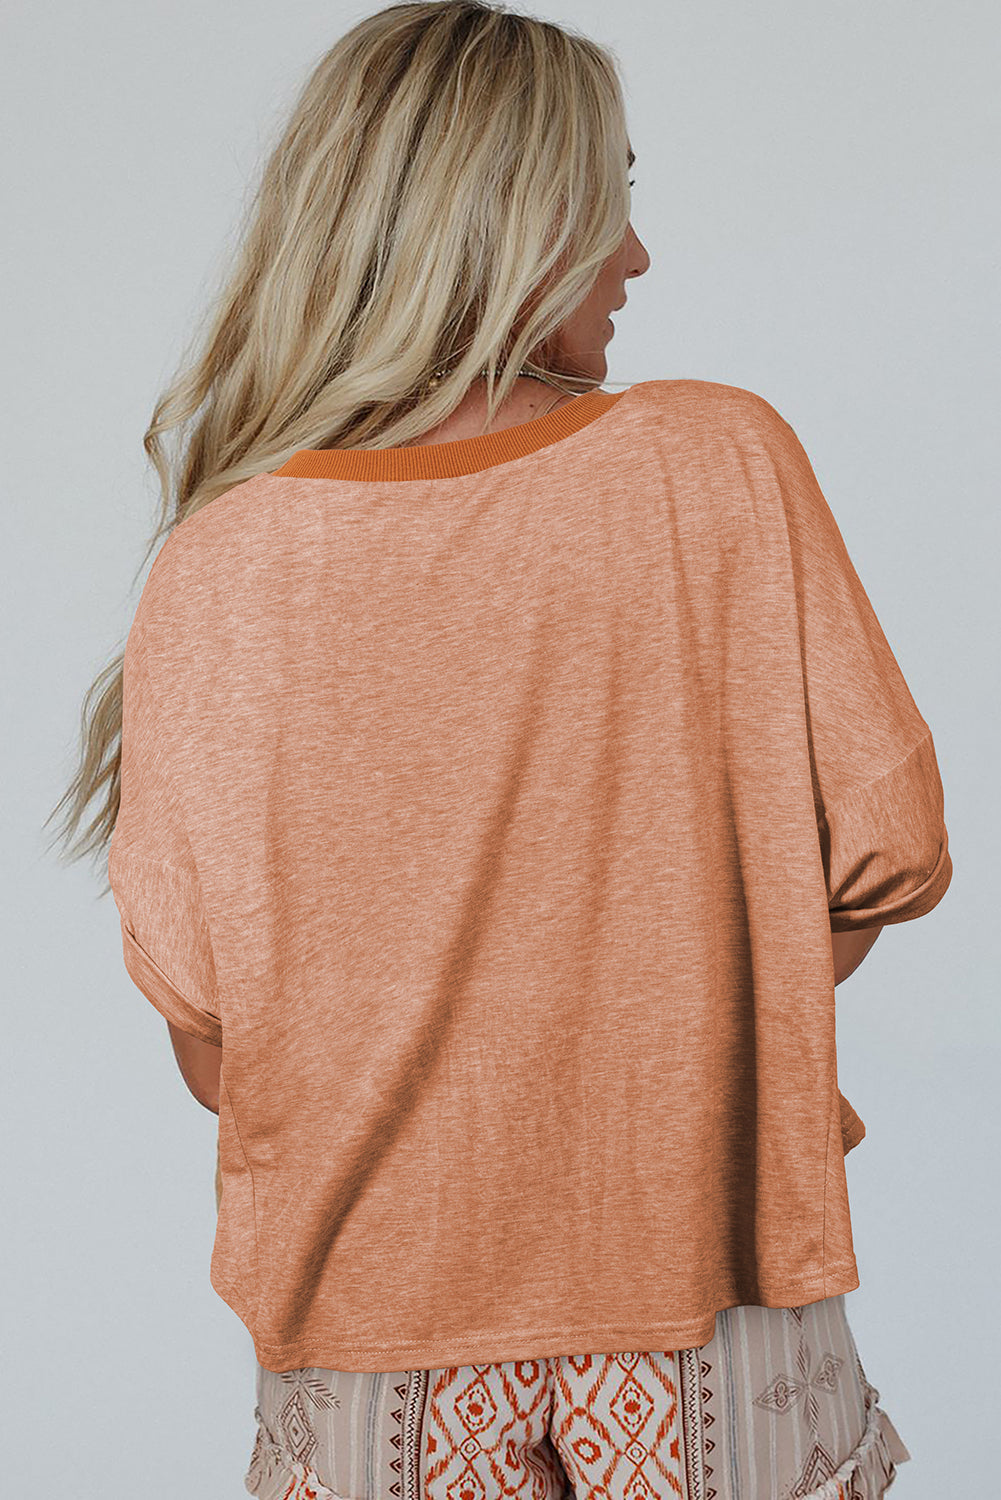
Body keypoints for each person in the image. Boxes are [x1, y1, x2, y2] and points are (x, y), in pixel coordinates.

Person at [50, 2, 952, 1495]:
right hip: (702, 1309)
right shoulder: (715, 463)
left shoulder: (223, 565)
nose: (637, 256)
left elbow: (216, 1048)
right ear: (511, 219)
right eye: (611, 202)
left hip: (371, 1352)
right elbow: (883, 857)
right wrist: (657, 1023)